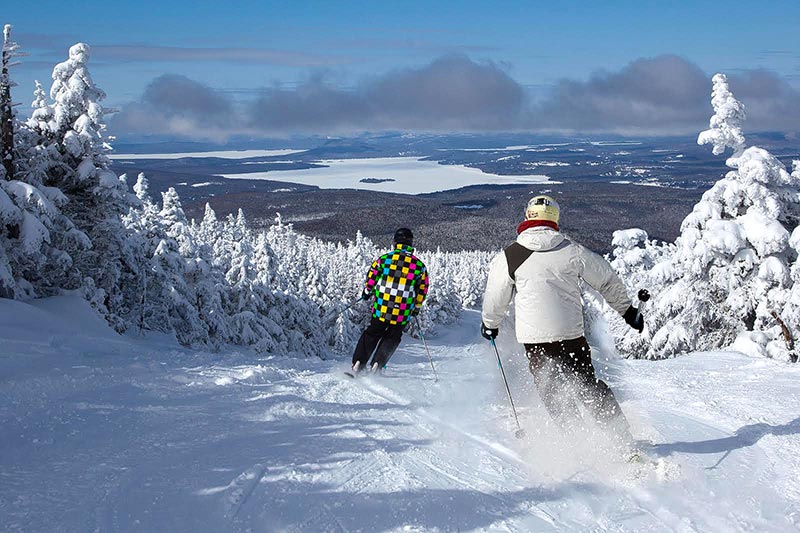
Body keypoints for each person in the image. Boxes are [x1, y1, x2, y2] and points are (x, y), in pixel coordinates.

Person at [481, 195, 644, 440]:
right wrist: (628, 311)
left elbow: (495, 296)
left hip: (535, 341)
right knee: (588, 385)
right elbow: (607, 279)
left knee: (551, 391)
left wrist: (490, 325)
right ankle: (622, 438)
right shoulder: (572, 251)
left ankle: (576, 442)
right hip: (571, 335)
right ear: (554, 219)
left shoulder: (510, 256)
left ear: (528, 217)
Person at [351, 228, 429, 373]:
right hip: (402, 310)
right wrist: (416, 307)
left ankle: (359, 362)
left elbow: (372, 278)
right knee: (393, 336)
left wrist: (367, 293)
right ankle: (378, 364)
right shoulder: (419, 266)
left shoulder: (384, 259)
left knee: (372, 332)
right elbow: (422, 290)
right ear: (411, 243)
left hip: (382, 307)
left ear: (395, 242)